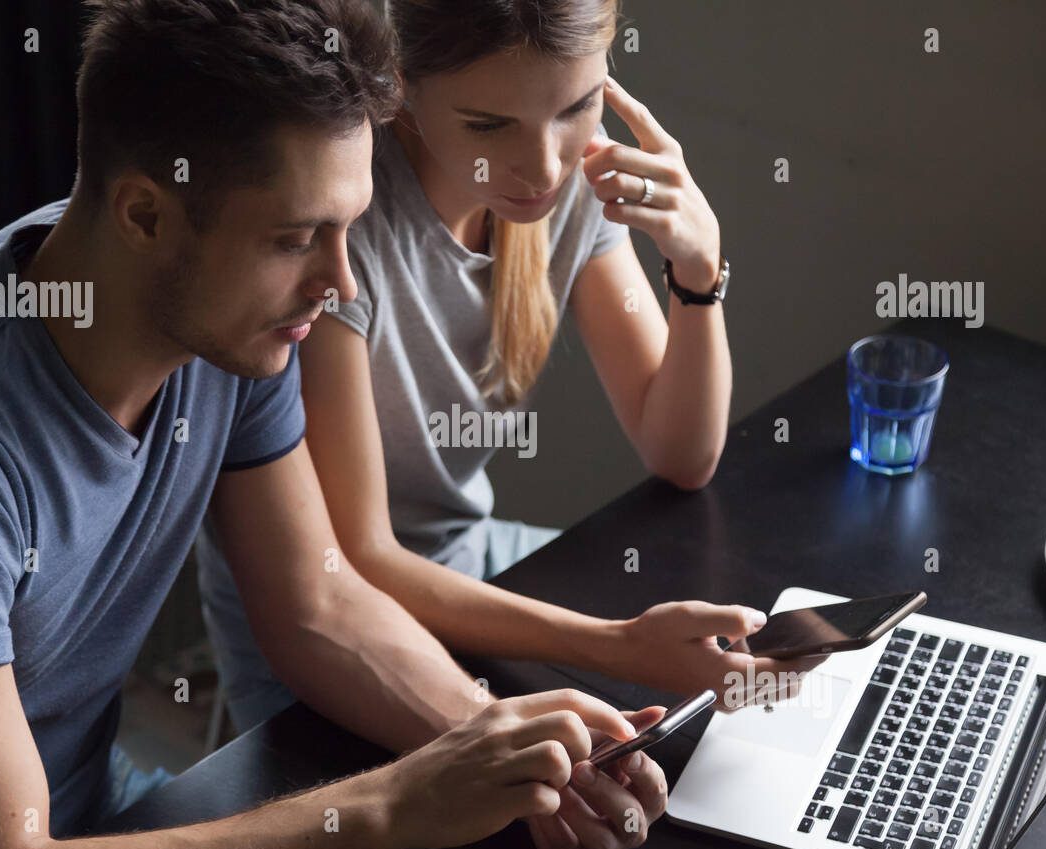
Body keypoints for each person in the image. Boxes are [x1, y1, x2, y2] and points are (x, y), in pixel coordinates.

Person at [0, 0, 678, 849]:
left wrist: (511, 750)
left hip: (96, 813)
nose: (341, 284)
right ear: (145, 215)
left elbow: (315, 605)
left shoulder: (223, 319)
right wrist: (395, 801)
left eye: (346, 229)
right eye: (297, 238)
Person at [197, 0, 792, 757]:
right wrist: (616, 645)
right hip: (331, 639)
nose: (542, 166)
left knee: (743, 672)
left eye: (577, 106)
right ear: (401, 85)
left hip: (474, 562)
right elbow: (357, 561)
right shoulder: (347, 220)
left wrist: (698, 273)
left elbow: (680, 454)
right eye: (488, 126)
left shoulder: (574, 179)